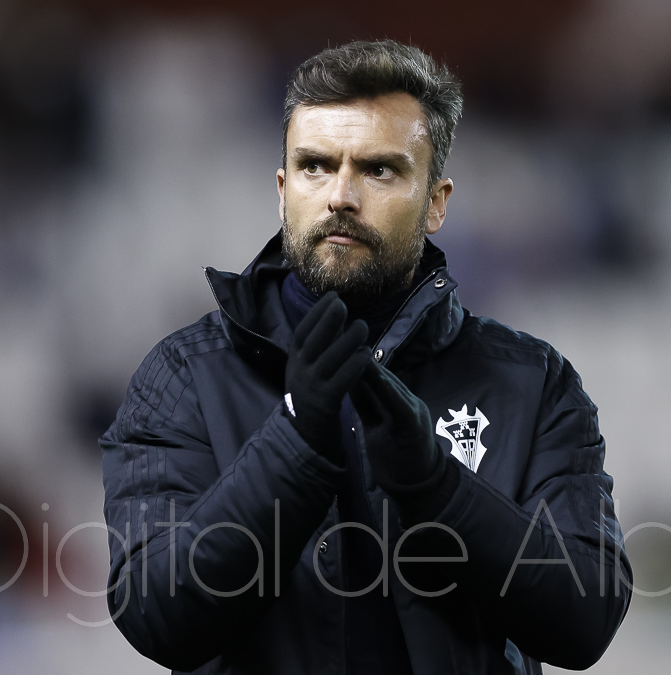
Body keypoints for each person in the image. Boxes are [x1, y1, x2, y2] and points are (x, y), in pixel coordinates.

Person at [100, 39, 632, 675]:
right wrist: (295, 439)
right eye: (315, 167)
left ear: (437, 201)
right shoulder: (184, 377)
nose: (340, 196)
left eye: (379, 170)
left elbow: (586, 622)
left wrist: (437, 489)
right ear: (282, 189)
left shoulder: (531, 382)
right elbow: (159, 618)